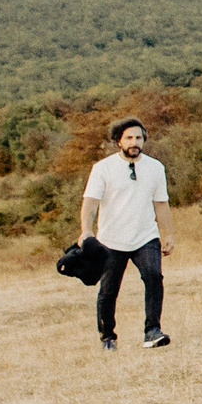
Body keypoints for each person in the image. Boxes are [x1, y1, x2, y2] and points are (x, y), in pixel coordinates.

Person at [79, 117, 172, 351]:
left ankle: (152, 331)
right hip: (111, 240)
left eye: (138, 138)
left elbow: (161, 203)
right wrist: (87, 232)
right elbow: (90, 203)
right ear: (118, 141)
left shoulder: (155, 167)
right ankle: (108, 337)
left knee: (154, 277)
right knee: (109, 290)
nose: (134, 142)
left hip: (145, 236)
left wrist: (168, 234)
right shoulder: (103, 168)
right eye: (129, 138)